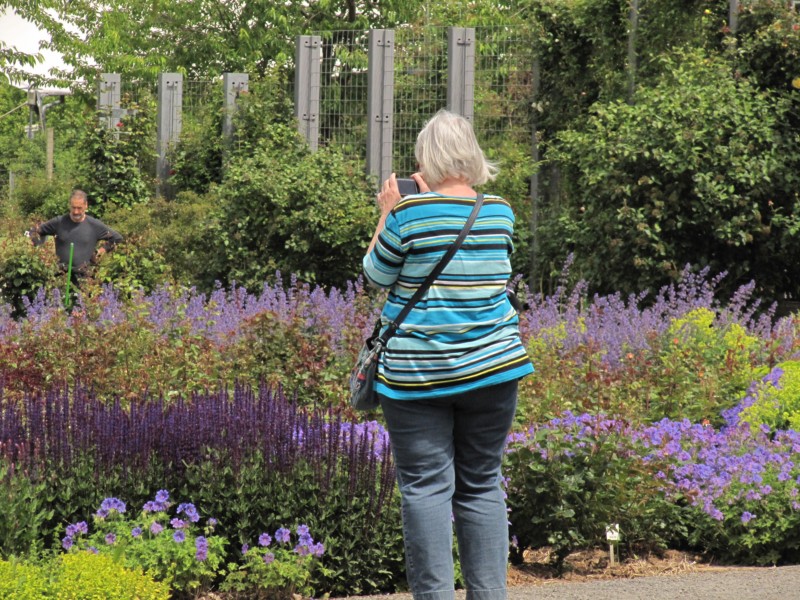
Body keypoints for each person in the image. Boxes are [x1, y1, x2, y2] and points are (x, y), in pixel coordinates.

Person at [362, 109, 534, 600]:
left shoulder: (408, 214)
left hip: (418, 376)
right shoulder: (499, 211)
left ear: (426, 159)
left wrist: (387, 210)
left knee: (425, 489)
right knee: (482, 484)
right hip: (494, 370)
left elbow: (375, 277)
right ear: (473, 155)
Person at [29, 189, 123, 285]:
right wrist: (40, 252)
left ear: (86, 206)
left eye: (79, 208)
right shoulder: (59, 222)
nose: (76, 212)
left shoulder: (94, 225)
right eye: (73, 208)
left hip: (84, 279)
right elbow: (34, 231)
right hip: (61, 277)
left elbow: (117, 238)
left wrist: (100, 251)